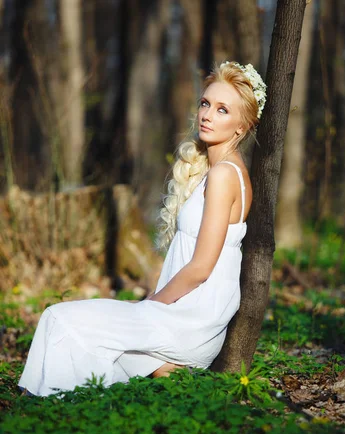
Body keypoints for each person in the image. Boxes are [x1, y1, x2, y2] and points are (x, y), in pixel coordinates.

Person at [18, 60, 267, 397]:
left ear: (242, 126)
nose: (207, 114)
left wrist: (152, 304)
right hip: (182, 316)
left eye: (223, 110)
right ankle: (154, 370)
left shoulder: (224, 176)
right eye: (205, 103)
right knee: (86, 336)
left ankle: (48, 409)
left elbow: (201, 267)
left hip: (187, 321)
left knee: (57, 319)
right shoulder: (223, 170)